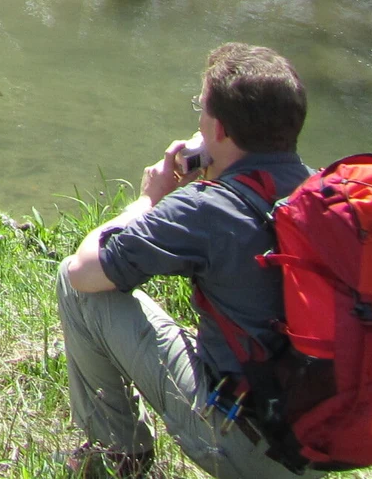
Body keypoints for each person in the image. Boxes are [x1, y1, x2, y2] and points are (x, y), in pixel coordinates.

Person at [57, 43, 312, 479]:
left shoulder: (206, 208)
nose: (198, 120)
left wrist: (150, 198)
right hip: (324, 441)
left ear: (221, 131)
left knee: (74, 284)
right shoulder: (323, 193)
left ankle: (116, 459)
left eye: (202, 109)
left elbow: (86, 271)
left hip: (251, 450)